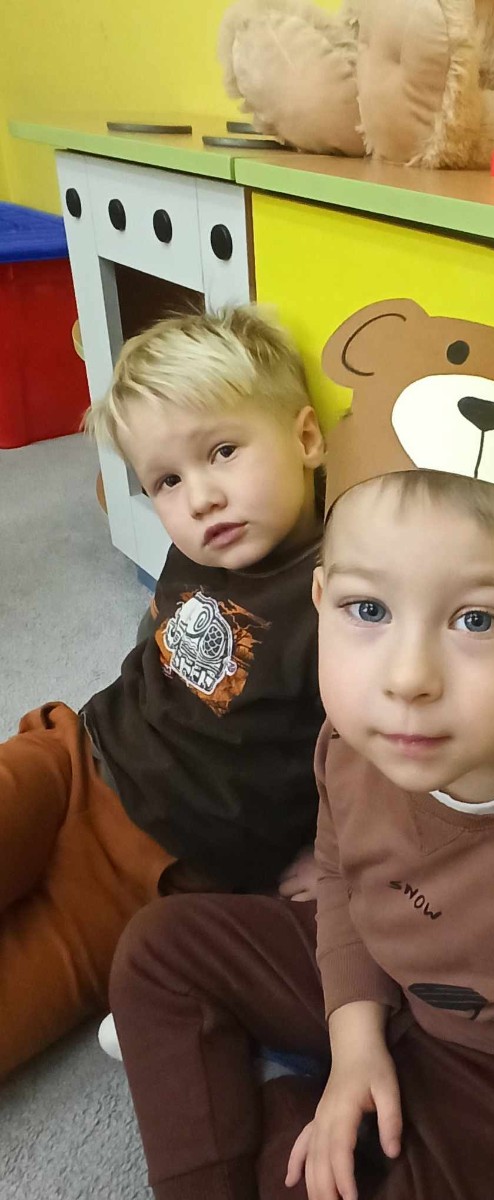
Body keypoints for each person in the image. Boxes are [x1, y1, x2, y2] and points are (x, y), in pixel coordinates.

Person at [109, 330, 494, 1200]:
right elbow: (343, 879)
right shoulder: (353, 738)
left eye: (476, 621)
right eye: (368, 609)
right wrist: (354, 1041)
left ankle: (291, 1111)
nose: (406, 680)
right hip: (376, 979)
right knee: (158, 949)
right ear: (322, 600)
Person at [0, 306, 326, 1079]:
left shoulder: (345, 594)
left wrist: (334, 856)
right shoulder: (201, 548)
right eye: (167, 481)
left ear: (308, 439)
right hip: (72, 761)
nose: (201, 498)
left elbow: (385, 749)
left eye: (223, 451)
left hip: (153, 872)